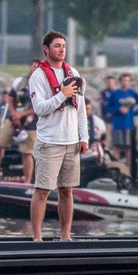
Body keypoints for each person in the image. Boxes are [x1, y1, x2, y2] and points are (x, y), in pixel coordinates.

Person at [29, 31, 88, 242]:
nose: (61, 49)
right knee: (42, 190)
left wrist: (84, 137)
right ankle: (37, 237)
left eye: (63, 45)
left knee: (67, 191)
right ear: (46, 49)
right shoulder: (38, 76)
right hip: (50, 141)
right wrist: (62, 95)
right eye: (56, 45)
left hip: (71, 141)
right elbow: (39, 109)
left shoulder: (73, 72)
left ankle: (65, 236)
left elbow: (80, 110)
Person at [0, 60, 40, 182]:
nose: (36, 69)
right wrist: (13, 113)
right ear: (30, 67)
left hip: (31, 121)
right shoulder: (19, 82)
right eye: (34, 66)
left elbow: (41, 106)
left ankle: (27, 180)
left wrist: (22, 114)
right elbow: (11, 97)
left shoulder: (43, 84)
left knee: (27, 152)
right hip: (14, 117)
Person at [106, 72, 138, 164]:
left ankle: (128, 168)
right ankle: (116, 168)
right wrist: (118, 110)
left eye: (128, 80)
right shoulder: (114, 94)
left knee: (128, 147)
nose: (126, 82)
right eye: (124, 80)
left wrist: (136, 112)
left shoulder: (132, 93)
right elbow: (108, 107)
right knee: (117, 147)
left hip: (129, 124)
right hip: (117, 124)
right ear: (120, 81)